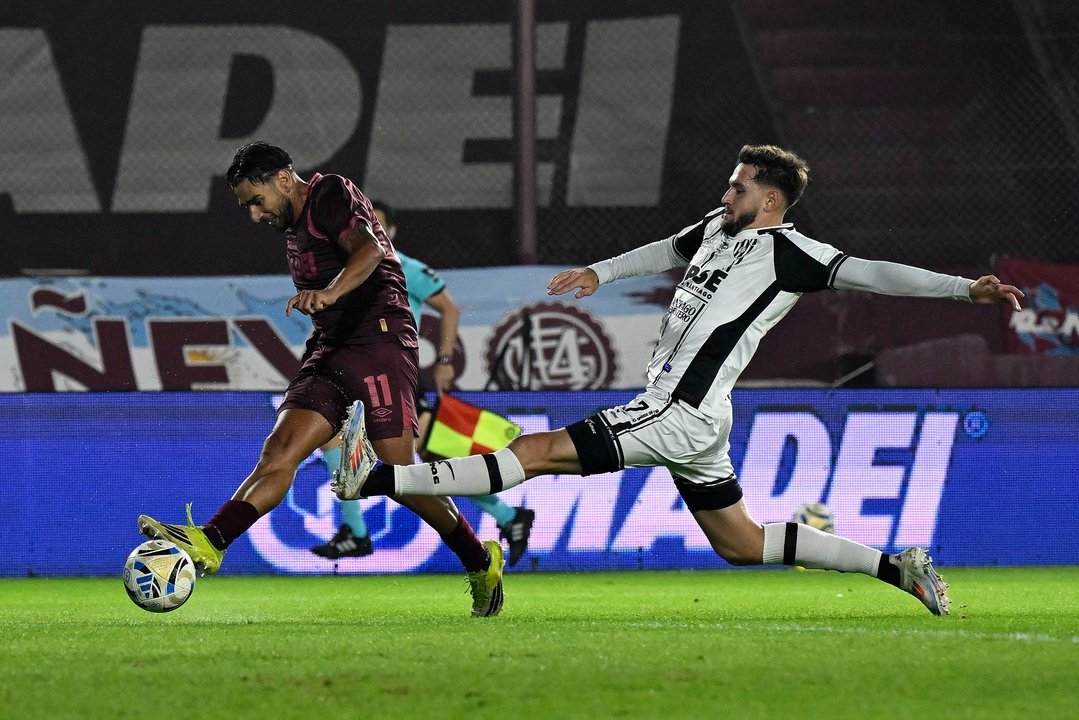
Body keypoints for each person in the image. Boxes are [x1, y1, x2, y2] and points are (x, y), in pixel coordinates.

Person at [331, 144, 1026, 616]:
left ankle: (379, 477)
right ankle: (897, 567)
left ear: (772, 199)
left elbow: (873, 273)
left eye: (739, 186)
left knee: (535, 453)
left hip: (676, 410)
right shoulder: (717, 230)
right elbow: (666, 249)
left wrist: (965, 289)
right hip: (697, 417)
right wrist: (600, 273)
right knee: (741, 544)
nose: (726, 193)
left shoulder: (789, 252)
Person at [137, 141, 505, 617]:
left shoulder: (328, 192)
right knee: (279, 452)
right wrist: (326, 303)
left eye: (256, 201)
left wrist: (329, 292)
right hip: (330, 349)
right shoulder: (292, 228)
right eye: (247, 207)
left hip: (380, 342)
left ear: (283, 179)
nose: (254, 215)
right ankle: (212, 539)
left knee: (401, 476)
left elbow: (370, 250)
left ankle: (480, 561)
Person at [310, 200, 536, 566]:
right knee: (407, 456)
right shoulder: (344, 271)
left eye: (377, 224)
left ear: (391, 231)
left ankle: (359, 532)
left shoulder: (403, 267)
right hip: (361, 372)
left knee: (413, 462)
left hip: (395, 374)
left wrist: (444, 361)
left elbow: (450, 308)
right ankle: (508, 518)